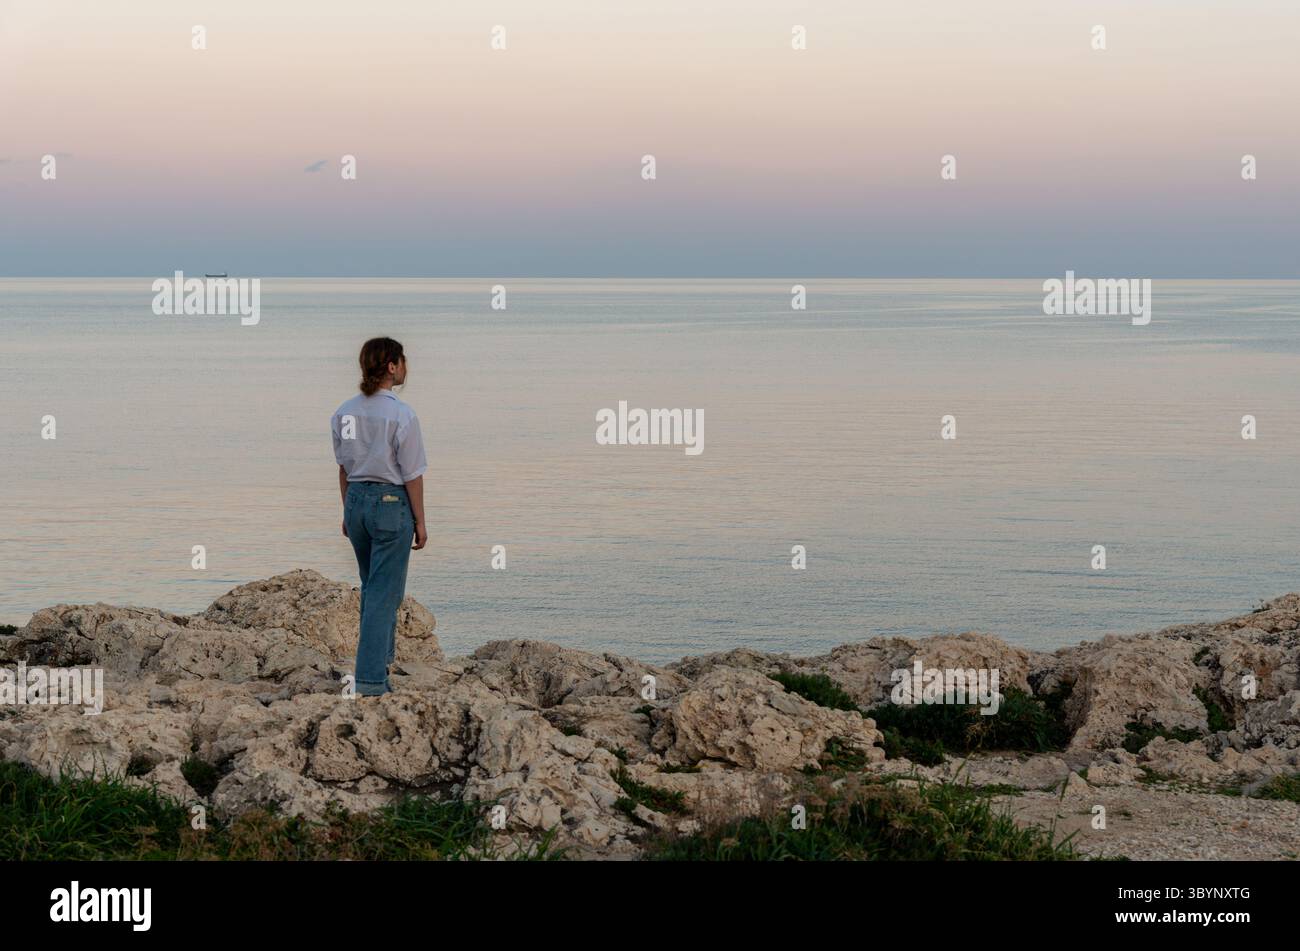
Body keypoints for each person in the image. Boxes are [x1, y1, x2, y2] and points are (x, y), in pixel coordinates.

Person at [331, 337, 428, 697]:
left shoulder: (344, 412)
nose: (405, 368)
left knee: (376, 585)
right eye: (402, 361)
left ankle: (382, 659)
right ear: (391, 365)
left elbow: (343, 467)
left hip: (356, 499)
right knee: (382, 593)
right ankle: (371, 681)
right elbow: (412, 472)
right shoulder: (401, 414)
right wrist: (420, 521)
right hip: (390, 502)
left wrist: (347, 509)